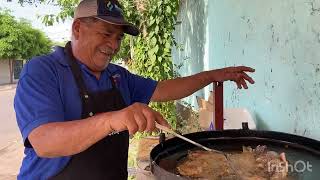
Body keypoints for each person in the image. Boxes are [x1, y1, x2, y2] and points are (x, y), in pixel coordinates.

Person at [14, 0, 255, 179]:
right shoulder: (43, 71)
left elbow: (164, 89)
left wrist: (212, 75)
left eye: (118, 38)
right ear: (77, 29)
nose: (114, 45)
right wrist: (112, 120)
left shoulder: (117, 76)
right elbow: (44, 142)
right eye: (107, 33)